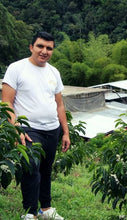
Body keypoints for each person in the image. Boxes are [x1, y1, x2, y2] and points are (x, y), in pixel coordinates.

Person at [2, 31, 70, 220]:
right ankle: (30, 213)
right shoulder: (16, 68)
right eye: (40, 46)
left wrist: (65, 132)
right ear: (31, 47)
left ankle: (46, 209)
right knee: (31, 166)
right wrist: (16, 129)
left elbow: (59, 104)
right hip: (28, 129)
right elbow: (7, 102)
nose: (44, 51)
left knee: (46, 168)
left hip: (52, 129)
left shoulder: (54, 72)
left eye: (49, 48)